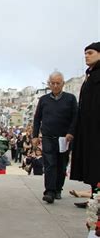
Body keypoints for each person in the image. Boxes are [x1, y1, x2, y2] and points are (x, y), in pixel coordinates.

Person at [32, 71, 77, 204]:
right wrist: (35, 135)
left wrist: (71, 132)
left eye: (58, 83)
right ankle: (49, 192)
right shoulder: (44, 100)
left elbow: (75, 117)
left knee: (61, 165)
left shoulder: (70, 99)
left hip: (64, 138)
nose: (56, 86)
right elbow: (37, 119)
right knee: (50, 164)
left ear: (63, 84)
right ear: (49, 84)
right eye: (53, 83)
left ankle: (58, 189)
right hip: (48, 137)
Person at [70, 42, 100, 208]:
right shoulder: (91, 76)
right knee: (93, 166)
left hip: (96, 129)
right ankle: (95, 201)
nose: (86, 56)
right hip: (89, 129)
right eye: (85, 53)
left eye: (90, 52)